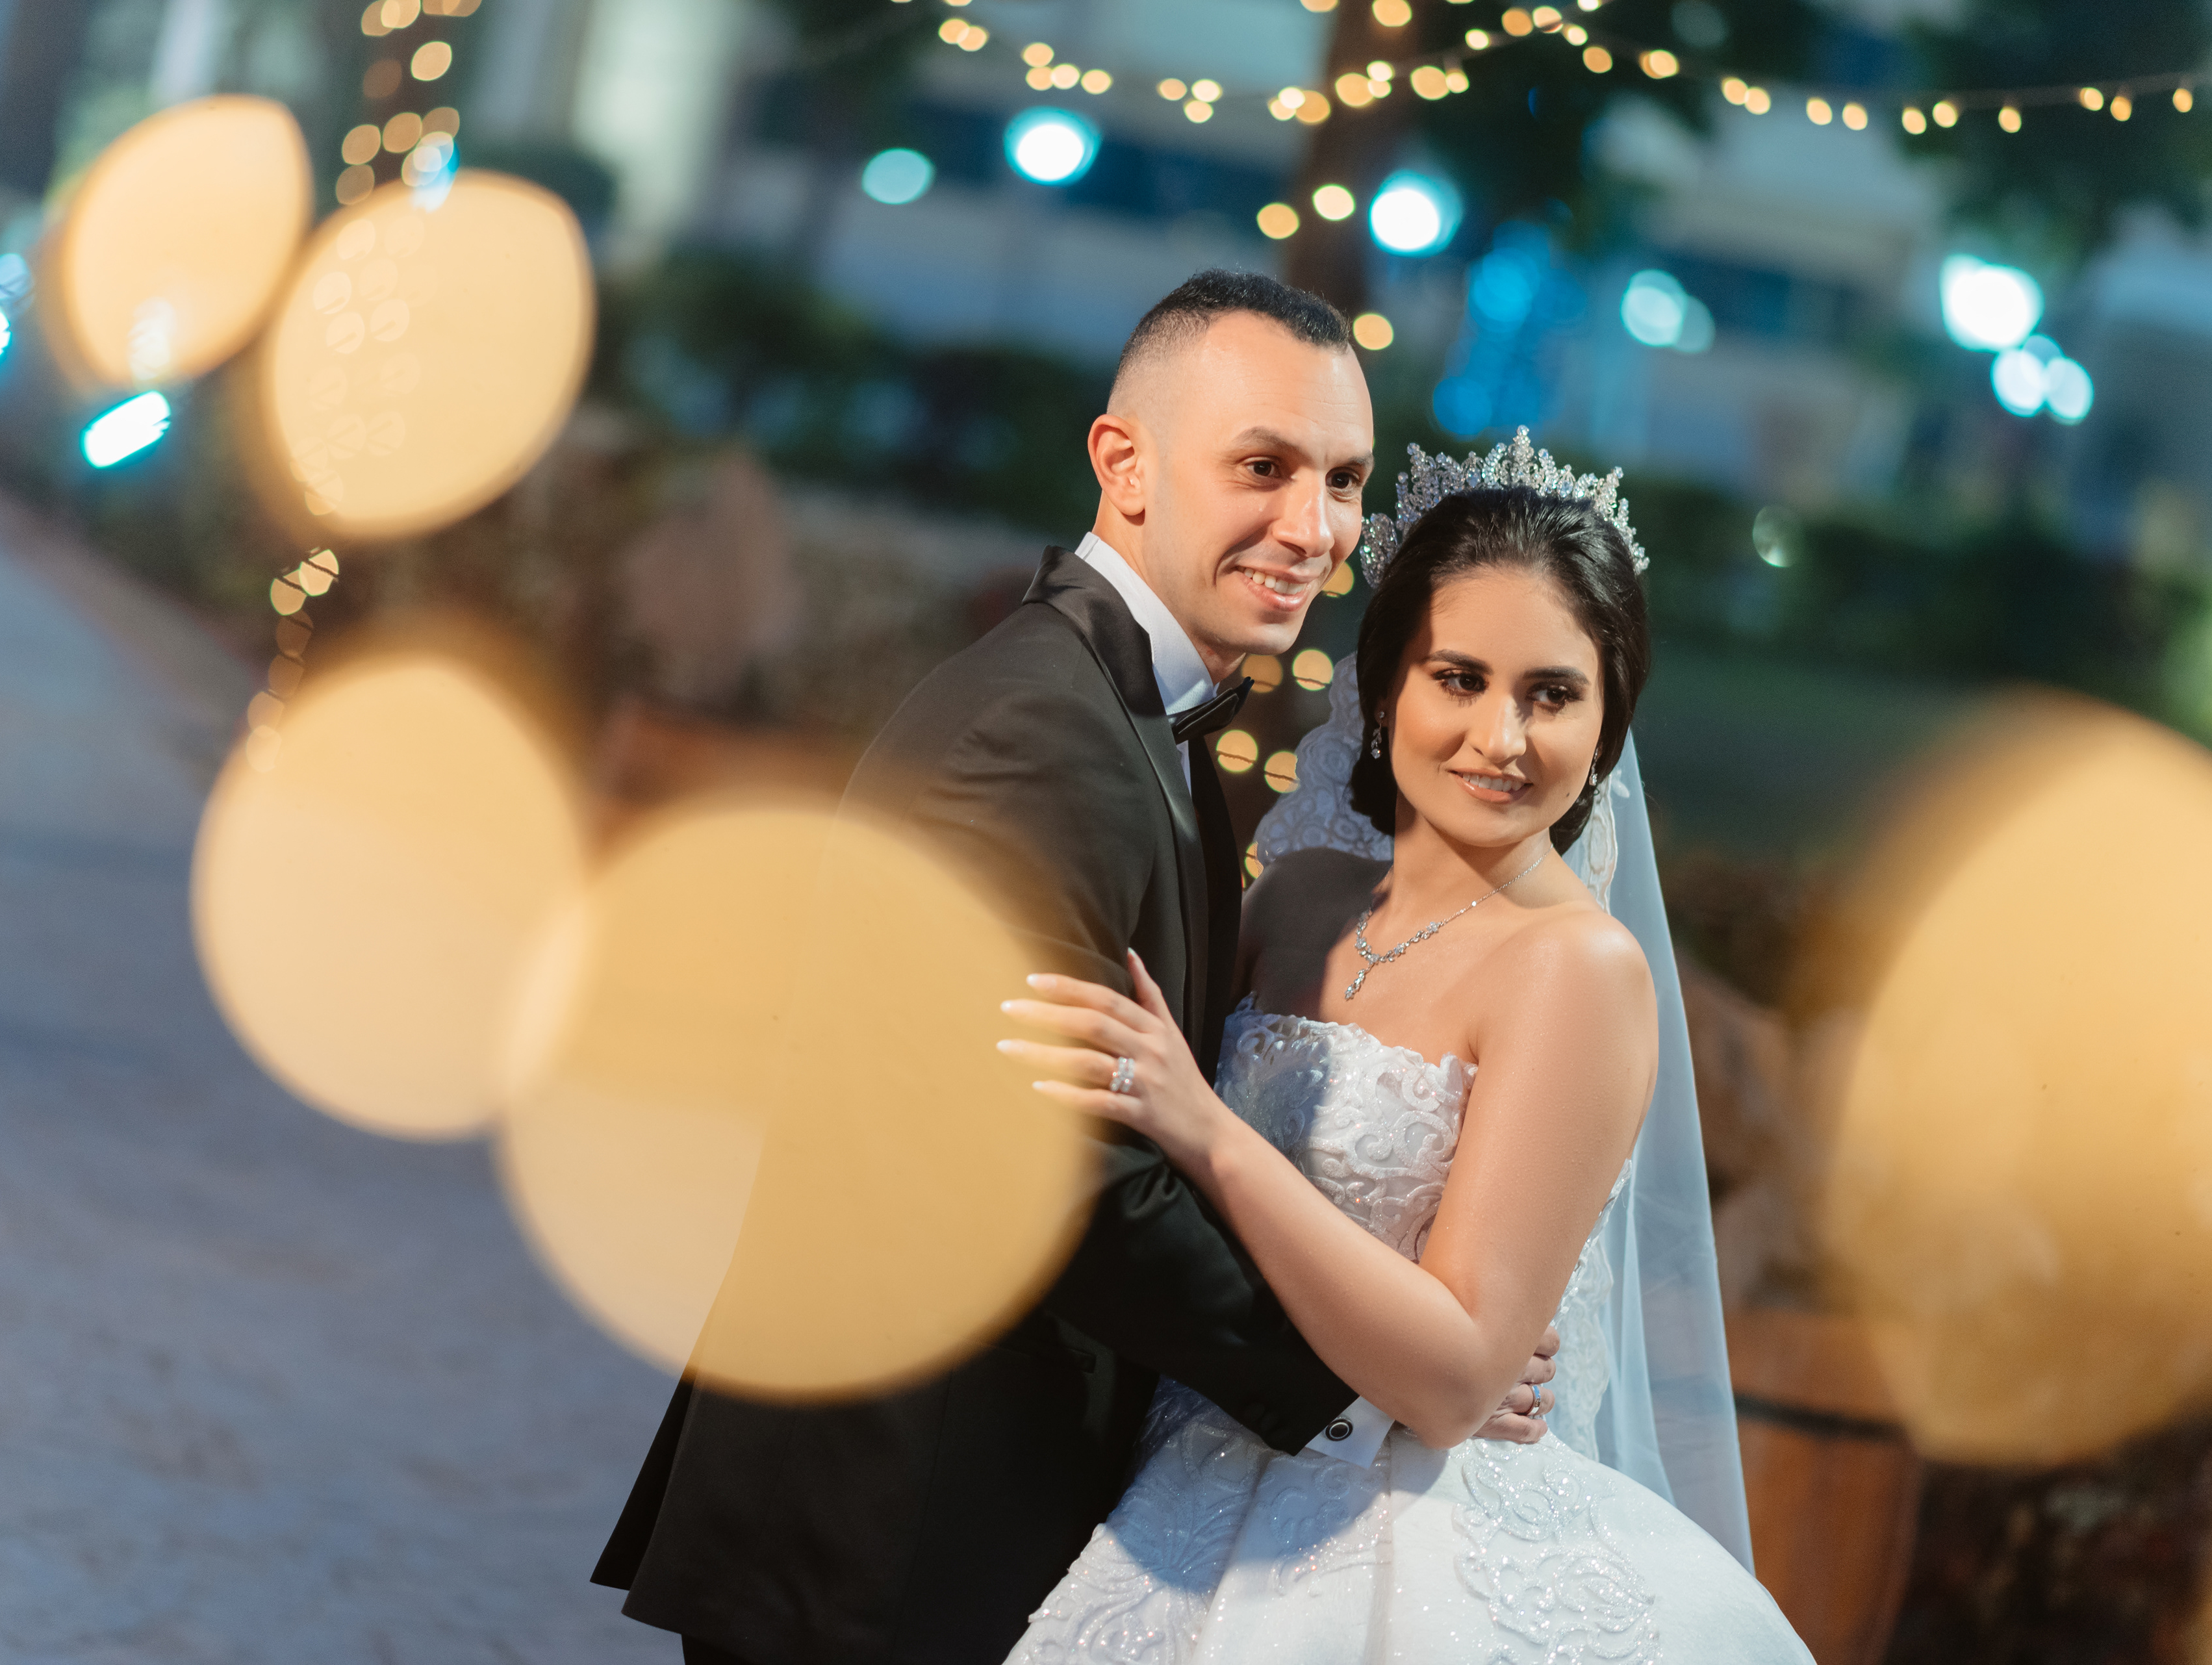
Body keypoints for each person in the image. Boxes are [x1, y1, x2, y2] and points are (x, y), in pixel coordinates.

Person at [591, 272, 1558, 1665]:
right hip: (888, 1527)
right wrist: (1388, 1379)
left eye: (1343, 480)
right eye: (1265, 468)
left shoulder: (1109, 712)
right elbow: (1070, 1181)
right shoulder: (1040, 738)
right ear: (1125, 463)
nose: (1316, 527)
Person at [997, 441, 1811, 1660]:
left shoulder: (1578, 971)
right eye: (1460, 677)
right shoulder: (1297, 899)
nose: (1503, 737)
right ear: (1385, 691)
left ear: (1608, 716)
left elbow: (1455, 1379)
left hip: (1402, 1534)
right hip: (1184, 1464)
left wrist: (1207, 1127)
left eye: (1553, 693)